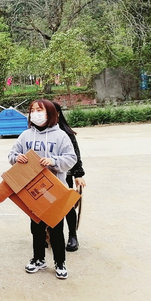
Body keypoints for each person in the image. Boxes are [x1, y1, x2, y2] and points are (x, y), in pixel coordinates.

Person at [8, 99, 77, 279]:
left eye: (40, 110)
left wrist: (54, 161)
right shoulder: (25, 136)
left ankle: (60, 262)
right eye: (32, 110)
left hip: (54, 191)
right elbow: (12, 154)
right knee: (36, 228)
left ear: (50, 113)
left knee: (56, 228)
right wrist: (17, 158)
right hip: (32, 191)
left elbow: (71, 158)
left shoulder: (61, 136)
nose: (35, 114)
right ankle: (38, 259)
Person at [53, 101, 86, 251]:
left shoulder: (65, 133)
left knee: (67, 205)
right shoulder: (38, 132)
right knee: (47, 205)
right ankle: (49, 234)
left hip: (64, 175)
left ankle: (72, 235)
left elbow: (75, 155)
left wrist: (78, 174)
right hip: (44, 176)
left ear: (58, 114)